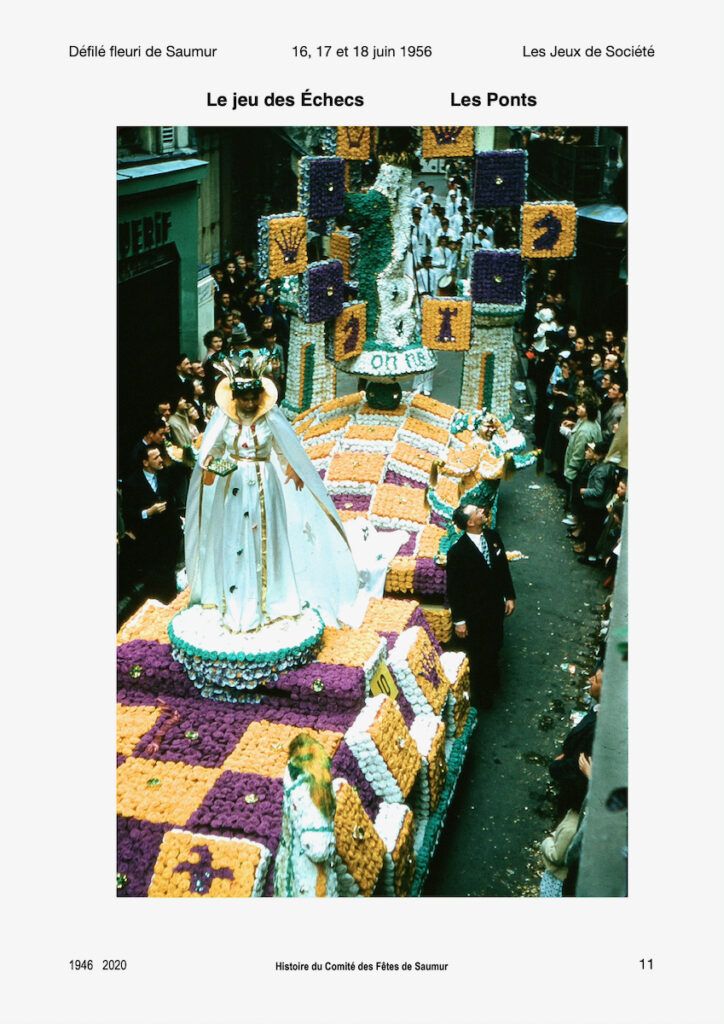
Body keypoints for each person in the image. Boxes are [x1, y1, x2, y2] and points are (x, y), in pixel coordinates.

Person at [185, 359, 359, 634]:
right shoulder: (225, 422)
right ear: (235, 399)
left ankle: (270, 600)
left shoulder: (269, 420)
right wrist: (211, 467)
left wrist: (294, 469)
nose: (250, 404)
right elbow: (213, 452)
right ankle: (232, 598)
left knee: (264, 537)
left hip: (265, 485)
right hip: (232, 486)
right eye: (245, 399)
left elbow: (283, 448)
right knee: (234, 538)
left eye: (255, 399)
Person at [445, 504, 516, 709]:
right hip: (474, 613)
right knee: (478, 653)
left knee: (495, 643)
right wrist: (459, 620)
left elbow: (503, 568)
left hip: (494, 607)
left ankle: (492, 679)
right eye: (477, 512)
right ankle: (481, 696)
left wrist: (510, 595)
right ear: (470, 522)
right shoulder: (457, 552)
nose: (482, 512)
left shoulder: (493, 537)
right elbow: (454, 590)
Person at [122, 445, 181, 604]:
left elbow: (173, 502)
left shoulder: (166, 475)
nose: (161, 459)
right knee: (154, 578)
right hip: (148, 539)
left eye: (160, 456)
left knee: (169, 573)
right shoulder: (132, 483)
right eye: (155, 458)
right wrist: (148, 513)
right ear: (145, 462)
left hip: (169, 535)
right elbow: (128, 514)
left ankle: (172, 600)